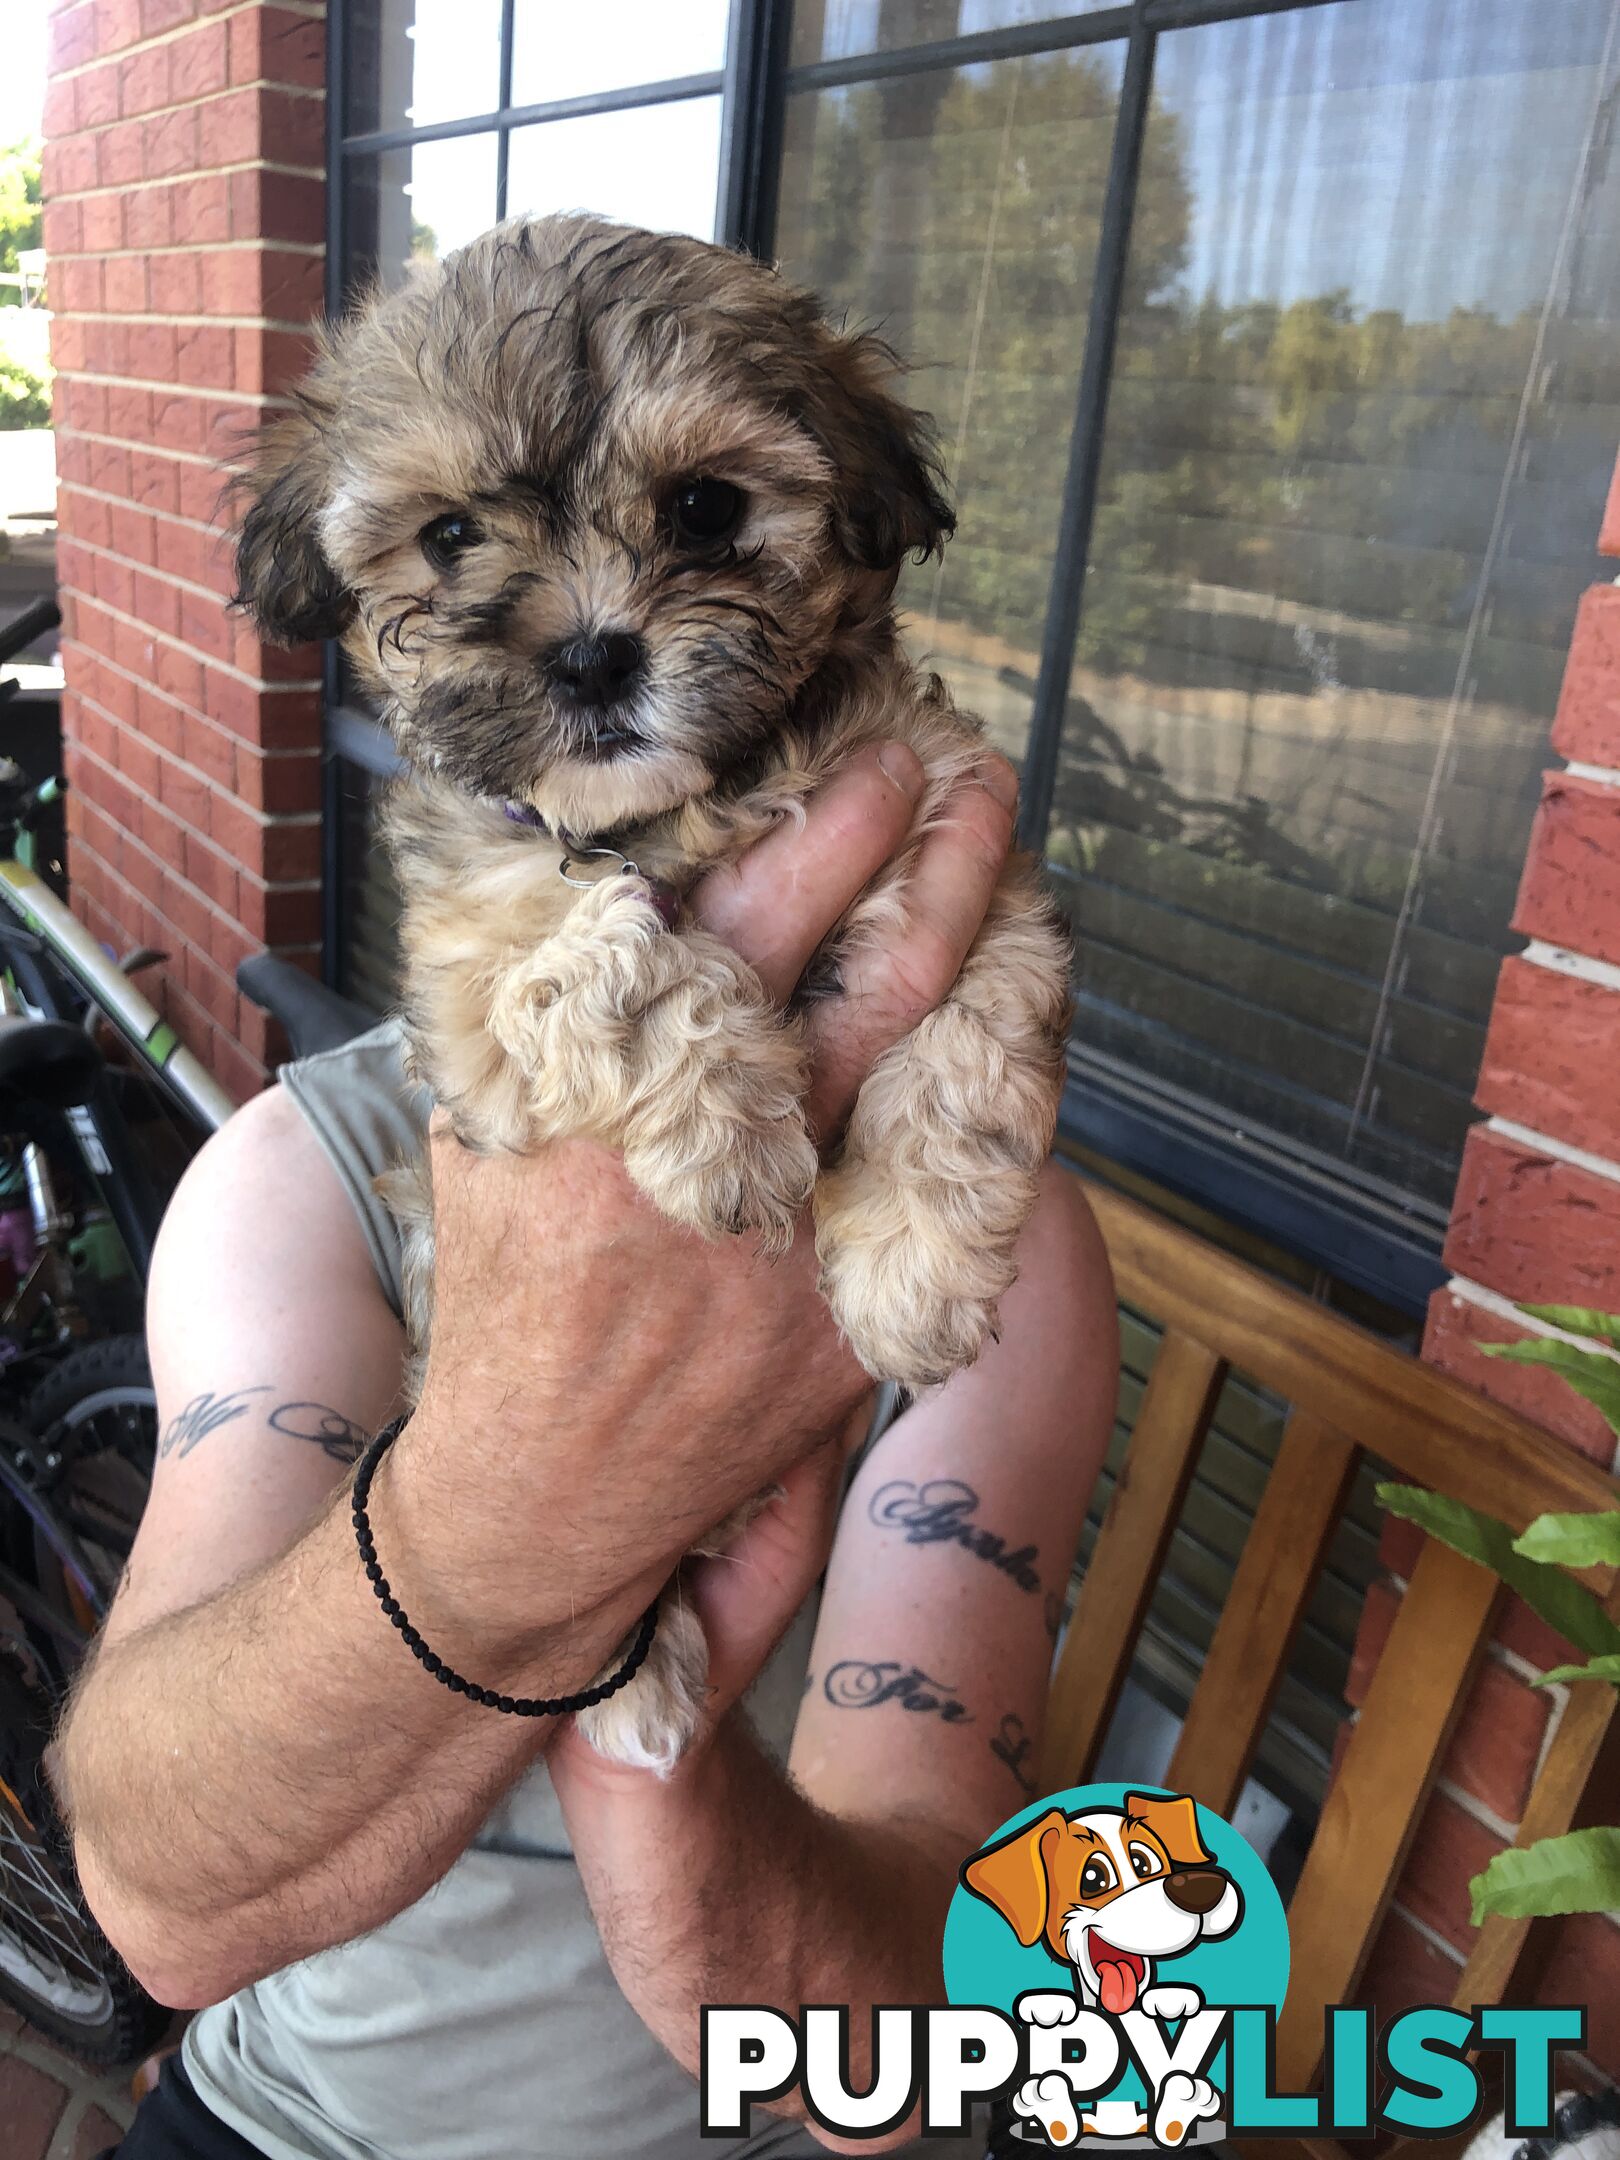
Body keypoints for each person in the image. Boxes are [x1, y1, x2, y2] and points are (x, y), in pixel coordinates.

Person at [56, 742, 1118, 2160]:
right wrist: (542, 1511)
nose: (602, 644)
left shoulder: (983, 1245)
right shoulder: (301, 1172)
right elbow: (163, 1904)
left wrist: (648, 1759)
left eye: (707, 519)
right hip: (292, 2126)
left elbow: (908, 2059)